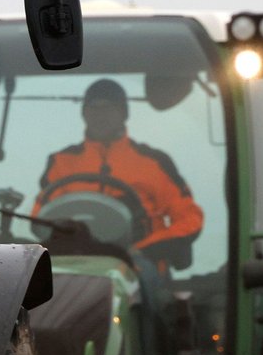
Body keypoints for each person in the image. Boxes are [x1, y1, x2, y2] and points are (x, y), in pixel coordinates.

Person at [37, 78, 203, 266]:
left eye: (108, 108)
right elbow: (42, 215)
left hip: (139, 271)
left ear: (123, 114)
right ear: (84, 113)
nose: (100, 115)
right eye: (93, 108)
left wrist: (145, 250)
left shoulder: (154, 162)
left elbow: (189, 218)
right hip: (78, 266)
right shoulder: (61, 162)